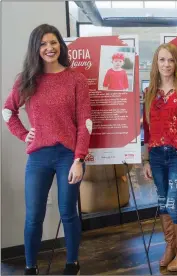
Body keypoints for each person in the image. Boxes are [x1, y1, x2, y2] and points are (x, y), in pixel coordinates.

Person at [2, 24, 92, 275]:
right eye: (43, 44)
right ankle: (31, 267)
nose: (49, 48)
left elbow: (85, 122)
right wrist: (23, 134)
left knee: (68, 212)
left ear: (60, 46)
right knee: (33, 216)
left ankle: (72, 263)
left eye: (53, 42)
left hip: (68, 156)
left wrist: (79, 159)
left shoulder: (76, 79)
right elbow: (8, 111)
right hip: (38, 157)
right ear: (35, 48)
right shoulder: (27, 80)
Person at [142, 43, 177, 272]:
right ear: (156, 63)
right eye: (162, 60)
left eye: (171, 60)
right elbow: (147, 128)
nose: (166, 64)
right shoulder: (149, 92)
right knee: (162, 203)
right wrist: (146, 159)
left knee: (174, 204)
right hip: (156, 154)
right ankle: (170, 246)